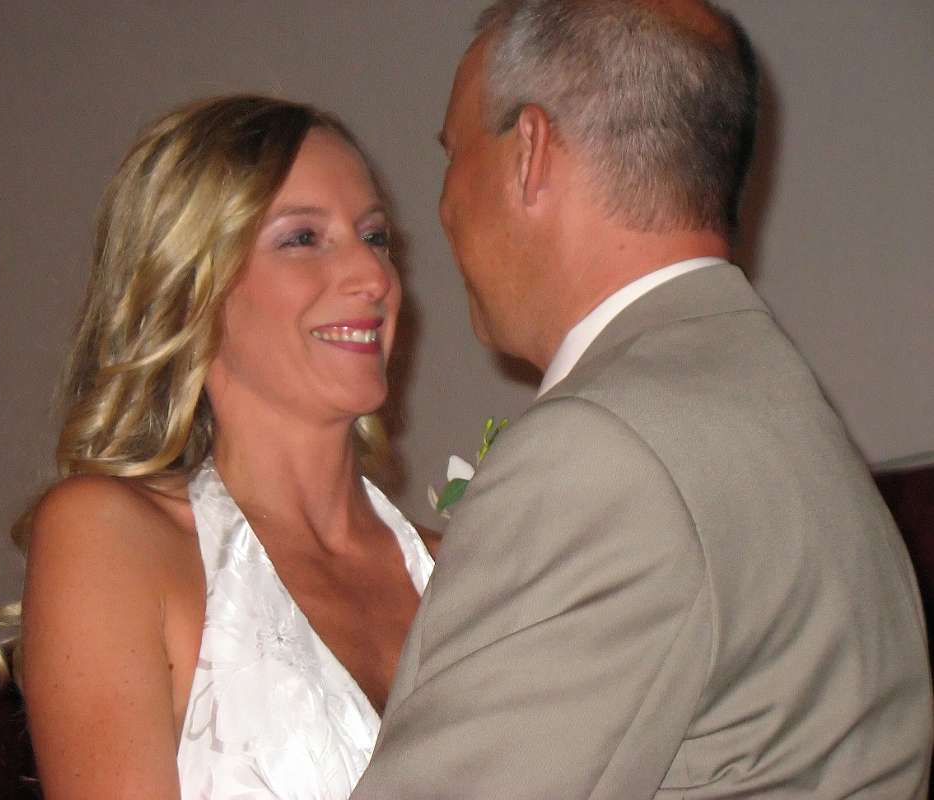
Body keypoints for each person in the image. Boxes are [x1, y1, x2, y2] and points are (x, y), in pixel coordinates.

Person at [352, 1, 933, 797]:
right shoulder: (777, 403)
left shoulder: (603, 454)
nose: (443, 203)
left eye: (453, 154)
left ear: (531, 150)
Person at [18, 95, 438, 799]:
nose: (373, 277)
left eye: (375, 236)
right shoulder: (117, 539)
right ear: (193, 286)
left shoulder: (462, 569)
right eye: (302, 238)